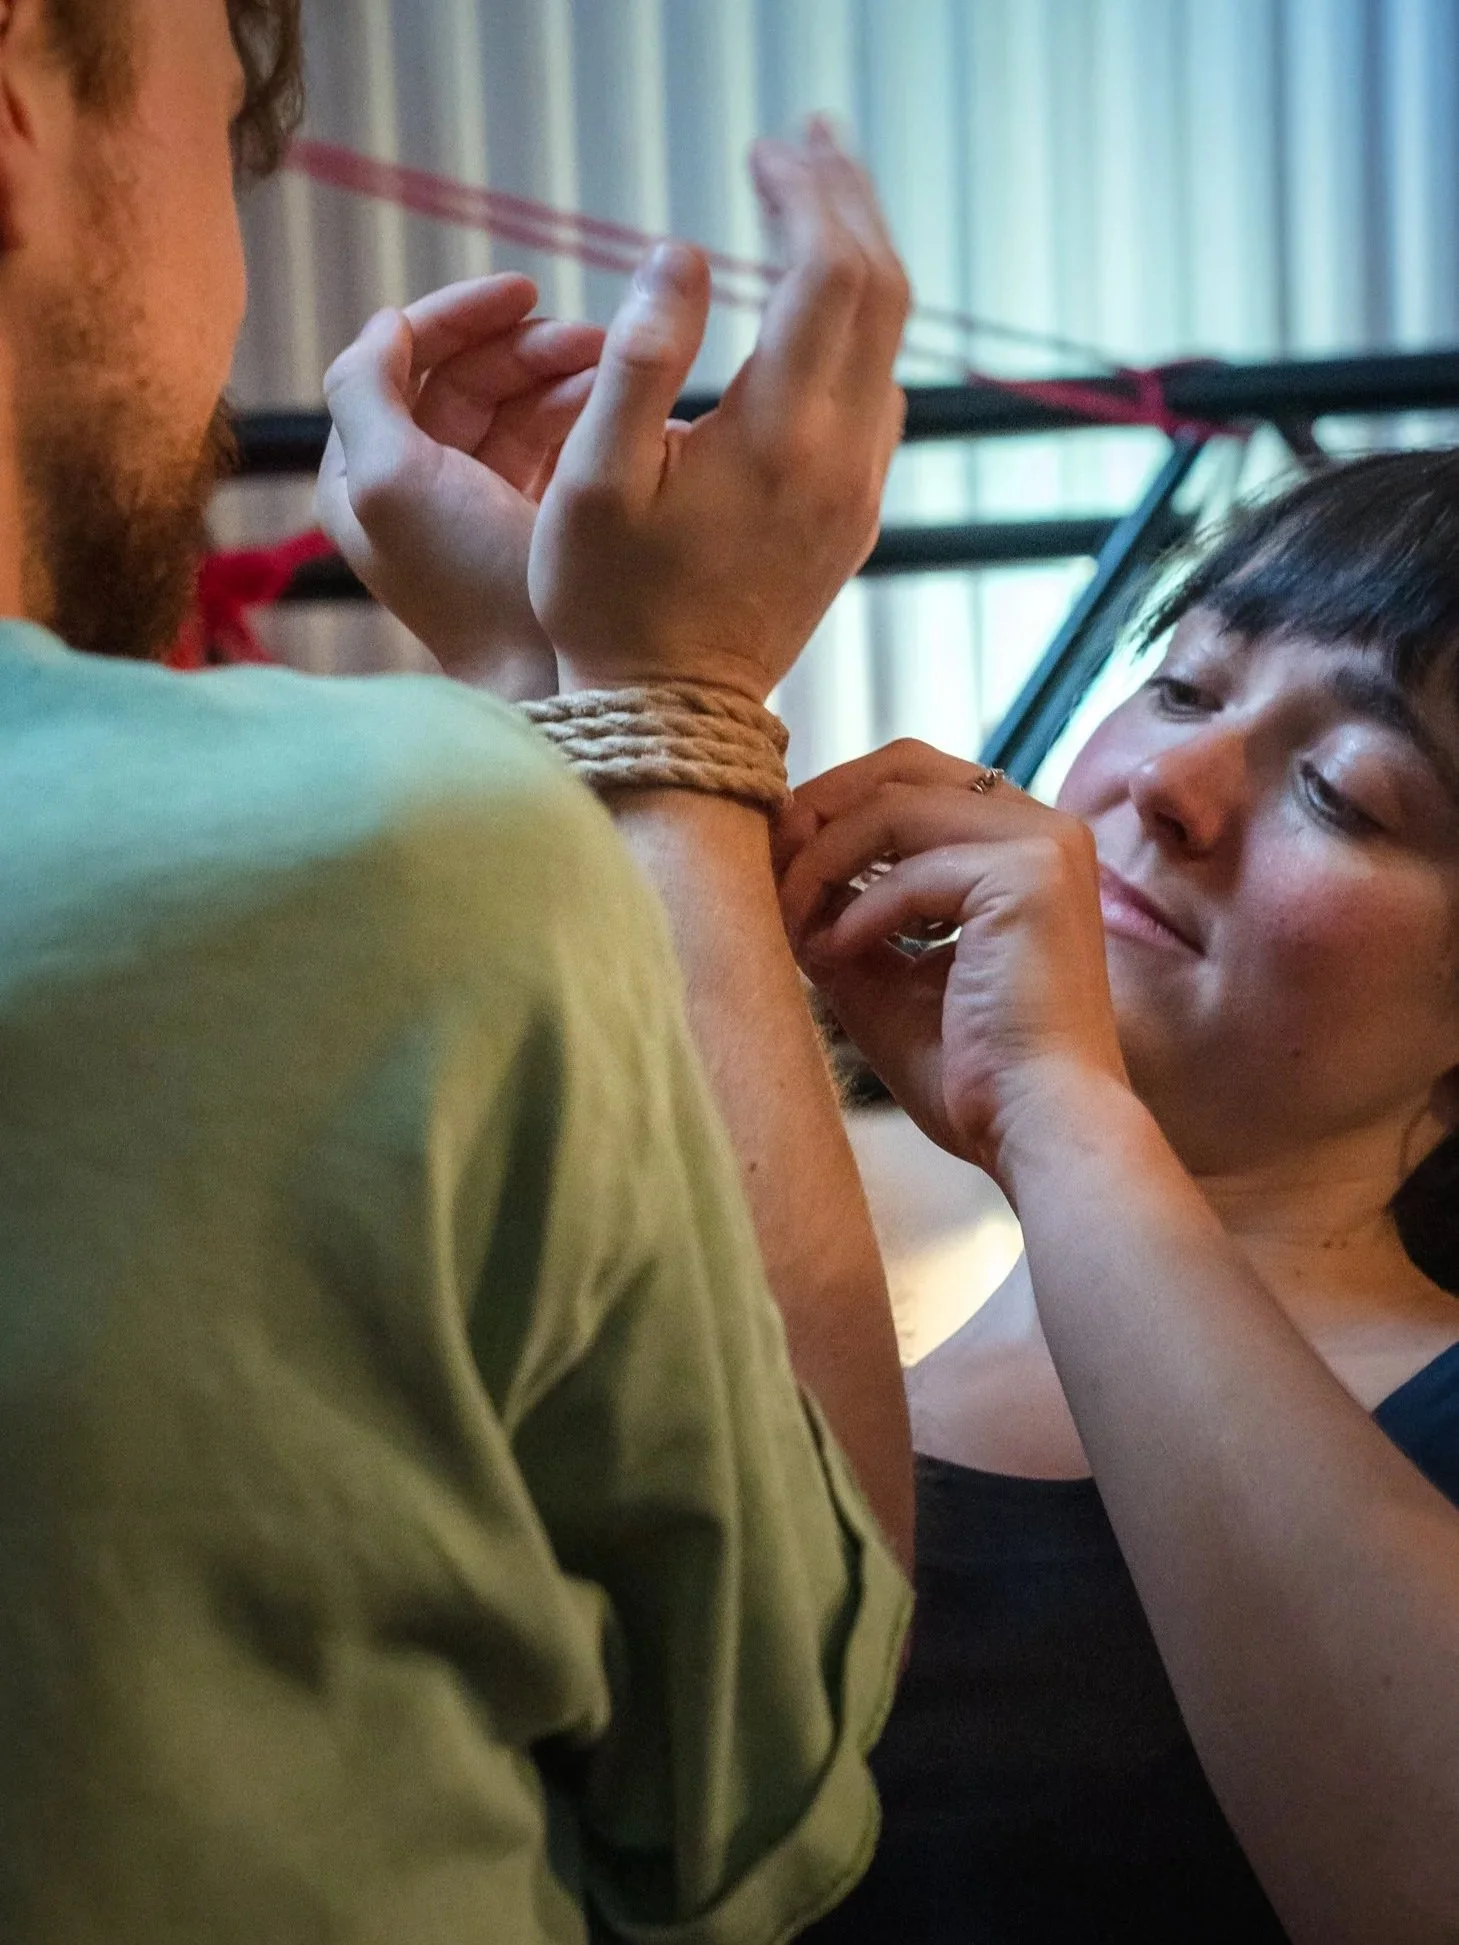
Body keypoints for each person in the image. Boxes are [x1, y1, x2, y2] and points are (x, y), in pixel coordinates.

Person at [0, 4, 918, 1940]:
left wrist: (540, 692)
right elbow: (772, 1760)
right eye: (220, 137)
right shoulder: (380, 860)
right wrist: (663, 708)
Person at [777, 450, 1459, 1943]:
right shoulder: (864, 1383)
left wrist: (1051, 1108)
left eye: (1344, 793)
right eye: (1185, 687)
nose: (1167, 785)